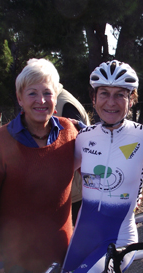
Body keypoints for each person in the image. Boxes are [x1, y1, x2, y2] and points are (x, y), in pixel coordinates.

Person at [50, 60, 143, 273]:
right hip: (81, 240)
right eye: (104, 93)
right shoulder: (83, 137)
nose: (111, 102)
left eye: (120, 95)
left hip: (117, 241)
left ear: (131, 99)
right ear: (93, 98)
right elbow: (54, 177)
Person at [0, 58, 77, 273]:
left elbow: (107, 152)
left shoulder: (70, 132)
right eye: (32, 93)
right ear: (20, 98)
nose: (41, 100)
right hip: (18, 261)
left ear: (56, 98)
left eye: (47, 93)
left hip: (64, 254)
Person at [55, 85, 91, 225]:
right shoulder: (59, 99)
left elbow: (80, 142)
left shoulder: (64, 103)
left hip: (74, 191)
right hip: (70, 189)